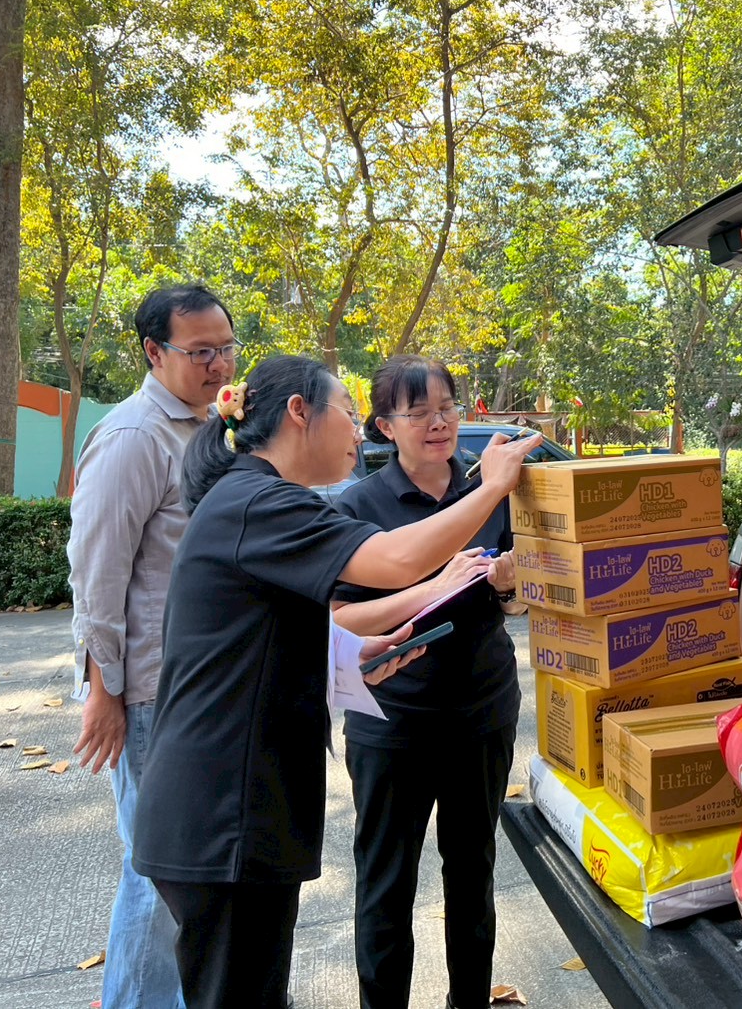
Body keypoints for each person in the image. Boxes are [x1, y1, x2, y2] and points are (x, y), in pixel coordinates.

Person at [131, 354, 541, 1009]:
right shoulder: (260, 502)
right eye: (349, 414)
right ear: (300, 413)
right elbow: (397, 560)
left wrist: (346, 654)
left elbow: (257, 636)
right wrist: (491, 487)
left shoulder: (251, 498)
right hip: (226, 811)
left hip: (236, 808)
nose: (356, 431)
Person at [329, 356, 520, 1009]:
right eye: (419, 412)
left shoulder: (490, 491)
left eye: (446, 408)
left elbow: (517, 603)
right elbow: (337, 618)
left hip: (482, 713)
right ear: (385, 426)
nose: (439, 423)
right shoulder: (359, 505)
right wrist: (430, 586)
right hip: (392, 722)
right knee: (386, 885)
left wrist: (508, 586)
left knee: (473, 876)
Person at [67, 282, 238, 1009]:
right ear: (153, 351)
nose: (218, 365)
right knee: (158, 870)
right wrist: (103, 693)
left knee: (184, 868)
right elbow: (96, 577)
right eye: (200, 352)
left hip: (199, 687)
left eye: (226, 348)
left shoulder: (209, 429)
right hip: (148, 693)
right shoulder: (134, 437)